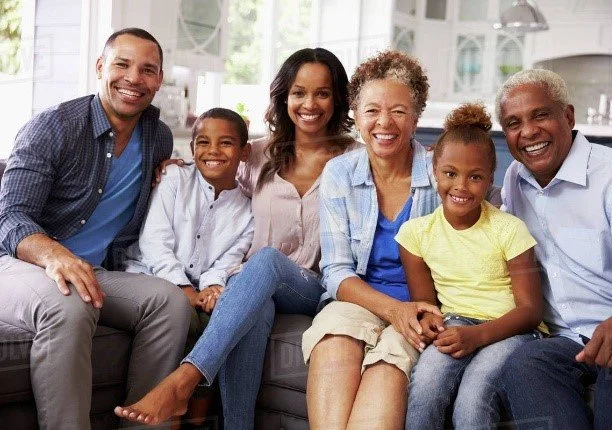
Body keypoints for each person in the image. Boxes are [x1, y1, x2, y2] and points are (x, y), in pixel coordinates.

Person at [115, 47, 361, 428]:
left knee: (264, 261)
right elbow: (214, 176)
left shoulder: (357, 161)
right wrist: (174, 167)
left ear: (337, 98)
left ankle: (186, 379)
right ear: (284, 97)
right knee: (254, 302)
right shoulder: (257, 154)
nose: (309, 103)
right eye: (298, 92)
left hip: (317, 287)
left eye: (322, 93)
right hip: (255, 287)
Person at [0, 28, 191, 429]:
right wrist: (57, 257)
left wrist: (171, 178)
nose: (134, 78)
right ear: (101, 67)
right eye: (122, 65)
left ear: (158, 80)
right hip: (18, 265)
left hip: (97, 270)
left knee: (169, 302)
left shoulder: (158, 137)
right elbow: (10, 217)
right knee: (69, 303)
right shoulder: (52, 127)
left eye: (148, 70)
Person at [495, 69, 612, 429]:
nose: (528, 132)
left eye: (540, 115)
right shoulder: (516, 179)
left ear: (568, 116)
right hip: (563, 341)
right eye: (514, 123)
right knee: (522, 364)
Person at [303, 50, 443, 430]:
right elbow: (335, 271)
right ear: (356, 117)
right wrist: (390, 310)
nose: (385, 122)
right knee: (333, 336)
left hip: (419, 310)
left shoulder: (439, 172)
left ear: (415, 119)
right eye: (372, 111)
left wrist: (409, 313)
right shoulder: (340, 173)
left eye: (398, 111)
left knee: (388, 364)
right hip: (356, 300)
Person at [397, 103, 545, 429]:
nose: (461, 187)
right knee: (424, 392)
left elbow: (531, 310)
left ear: (490, 178)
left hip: (512, 330)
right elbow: (427, 306)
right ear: (434, 170)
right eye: (450, 173)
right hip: (455, 325)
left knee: (473, 399)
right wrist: (431, 323)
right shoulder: (414, 235)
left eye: (475, 177)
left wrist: (477, 336)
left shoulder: (510, 230)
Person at [123, 107, 254, 424]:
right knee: (185, 315)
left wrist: (212, 287)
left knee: (218, 319)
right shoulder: (174, 179)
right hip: (148, 275)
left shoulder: (247, 208)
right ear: (192, 146)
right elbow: (155, 241)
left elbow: (228, 259)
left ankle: (194, 418)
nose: (212, 151)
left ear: (244, 151)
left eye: (225, 143)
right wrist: (183, 288)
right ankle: (178, 413)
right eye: (203, 142)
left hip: (196, 288)